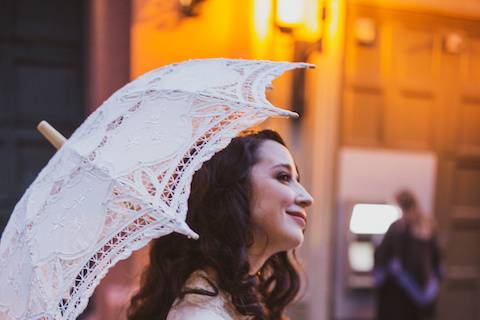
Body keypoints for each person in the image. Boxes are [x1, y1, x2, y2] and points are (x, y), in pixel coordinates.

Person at [127, 129, 314, 320]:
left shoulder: (236, 301)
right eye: (283, 177)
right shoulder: (198, 313)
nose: (307, 198)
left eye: (297, 180)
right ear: (235, 189)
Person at [374, 190, 443, 320]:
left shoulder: (398, 229)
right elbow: (436, 262)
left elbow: (383, 259)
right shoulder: (427, 225)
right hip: (418, 291)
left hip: (400, 294)